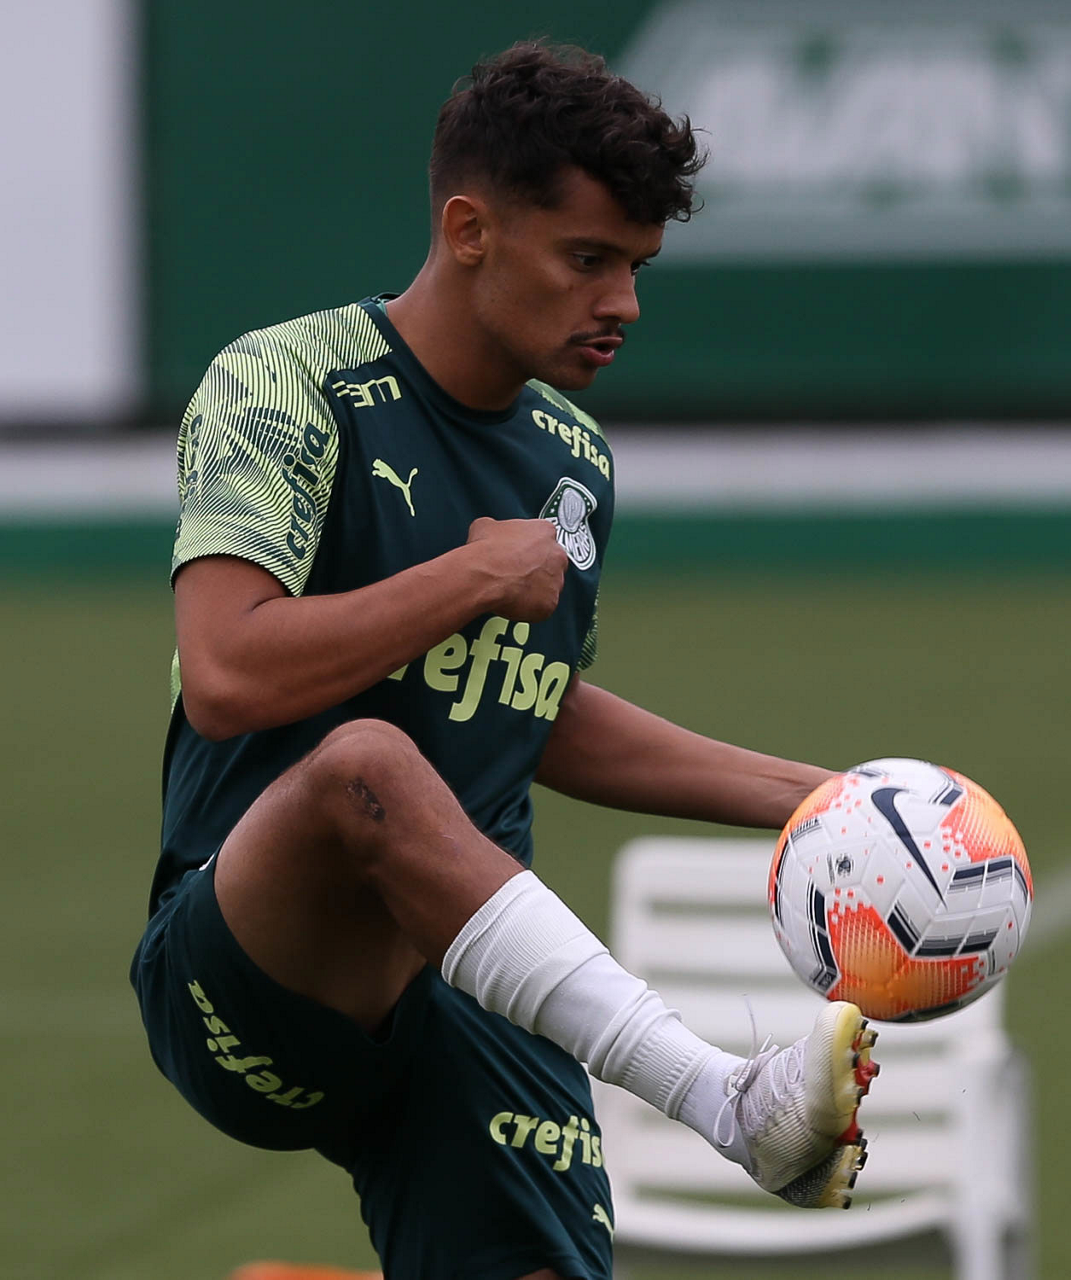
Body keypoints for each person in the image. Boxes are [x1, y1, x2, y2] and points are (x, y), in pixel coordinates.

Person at [131, 41, 878, 1280]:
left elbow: (535, 703)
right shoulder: (285, 381)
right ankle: (725, 1098)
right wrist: (471, 575)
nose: (623, 303)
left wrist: (822, 797)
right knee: (366, 765)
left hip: (476, 990)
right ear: (469, 229)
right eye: (587, 259)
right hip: (251, 971)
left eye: (636, 266)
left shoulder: (572, 455)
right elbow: (225, 673)